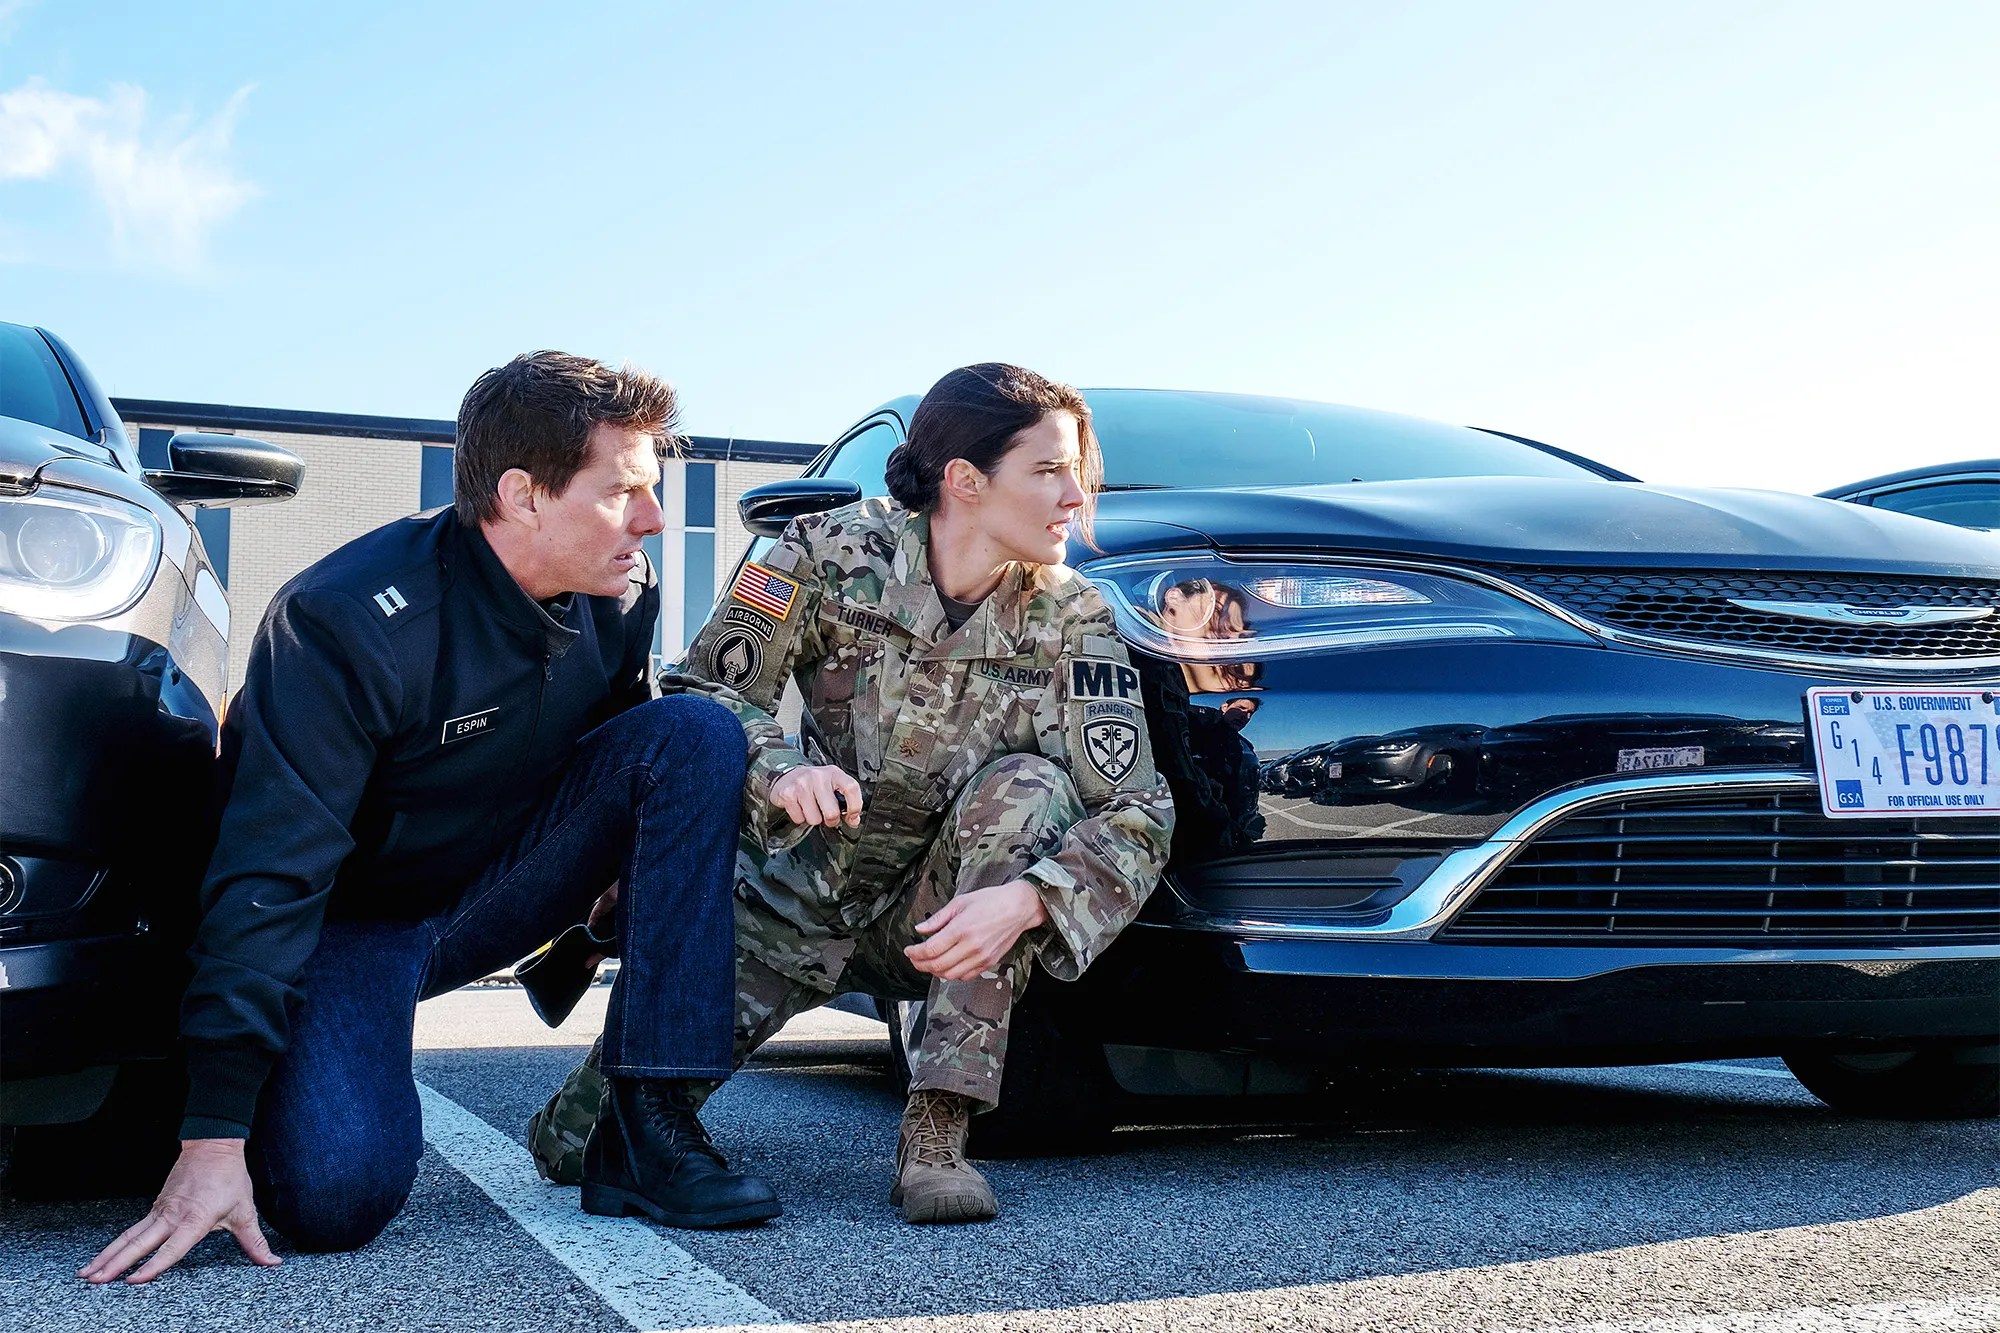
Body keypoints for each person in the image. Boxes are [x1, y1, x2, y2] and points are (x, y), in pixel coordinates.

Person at [83, 352, 777, 1287]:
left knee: (693, 732)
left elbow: (623, 744)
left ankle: (646, 1131)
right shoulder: (345, 622)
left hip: (488, 890)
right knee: (336, 1198)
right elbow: (269, 873)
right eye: (624, 493)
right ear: (523, 495)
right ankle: (237, 1069)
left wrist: (623, 879)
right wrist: (214, 1129)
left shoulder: (622, 588)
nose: (653, 519)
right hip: (346, 921)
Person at [527, 362, 1176, 1224]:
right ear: (965, 480)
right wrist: (778, 769)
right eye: (1050, 471)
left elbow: (1136, 809)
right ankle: (607, 970)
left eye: (1079, 472)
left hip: (934, 917)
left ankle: (937, 1130)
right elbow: (704, 692)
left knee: (1030, 787)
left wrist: (1028, 899)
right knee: (574, 1148)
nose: (1077, 498)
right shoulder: (820, 551)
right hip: (787, 895)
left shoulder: (1074, 618)